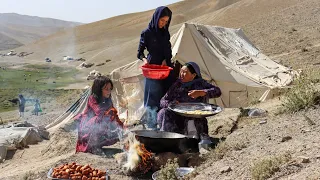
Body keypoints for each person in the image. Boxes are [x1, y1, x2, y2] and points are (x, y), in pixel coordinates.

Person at [157, 62, 222, 137]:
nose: (181, 74)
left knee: (194, 126)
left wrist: (202, 92)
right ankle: (168, 138)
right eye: (181, 71)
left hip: (194, 117)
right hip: (178, 117)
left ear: (194, 75)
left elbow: (218, 91)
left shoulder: (201, 84)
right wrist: (171, 103)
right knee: (163, 112)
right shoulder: (177, 84)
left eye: (185, 72)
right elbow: (163, 100)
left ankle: (195, 140)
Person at [137, 6, 175, 129]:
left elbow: (168, 50)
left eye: (166, 22)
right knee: (152, 96)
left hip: (165, 68)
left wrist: (165, 60)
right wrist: (144, 61)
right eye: (161, 20)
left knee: (165, 96)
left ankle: (164, 124)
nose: (163, 24)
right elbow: (140, 52)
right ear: (156, 17)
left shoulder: (165, 33)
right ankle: (152, 125)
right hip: (153, 68)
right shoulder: (146, 33)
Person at [74, 76, 125, 154]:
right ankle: (92, 146)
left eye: (110, 89)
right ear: (99, 89)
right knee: (98, 121)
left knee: (117, 127)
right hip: (87, 127)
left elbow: (114, 114)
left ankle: (97, 144)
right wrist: (109, 114)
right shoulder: (92, 98)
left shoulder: (108, 99)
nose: (109, 91)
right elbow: (99, 112)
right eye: (106, 89)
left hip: (101, 123)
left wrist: (122, 128)